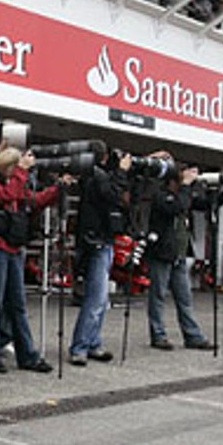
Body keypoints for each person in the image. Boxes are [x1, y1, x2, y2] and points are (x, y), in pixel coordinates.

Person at [0, 147, 62, 376]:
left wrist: (59, 189)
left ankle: (28, 355)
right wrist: (22, 173)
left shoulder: (16, 182)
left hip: (13, 247)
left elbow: (33, 200)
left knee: (18, 304)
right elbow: (2, 196)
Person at [139, 160, 216, 352]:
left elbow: (205, 205)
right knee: (158, 296)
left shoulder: (184, 195)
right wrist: (187, 186)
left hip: (179, 254)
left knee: (185, 297)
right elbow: (177, 207)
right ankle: (158, 335)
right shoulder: (162, 196)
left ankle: (193, 336)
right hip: (162, 253)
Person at [67, 152, 131, 365]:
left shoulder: (102, 176)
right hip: (96, 242)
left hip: (105, 240)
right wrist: (121, 172)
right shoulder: (96, 176)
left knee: (102, 300)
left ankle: (93, 342)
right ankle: (80, 346)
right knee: (96, 298)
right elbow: (111, 196)